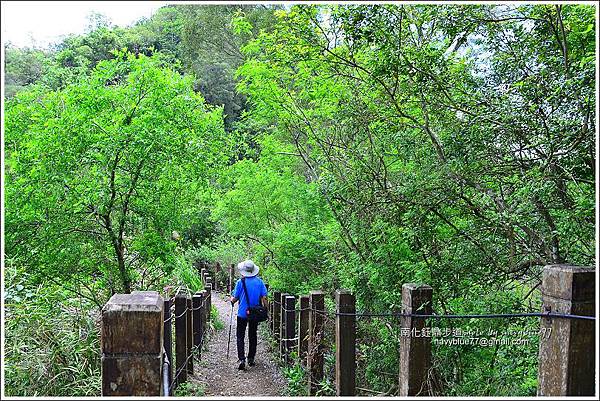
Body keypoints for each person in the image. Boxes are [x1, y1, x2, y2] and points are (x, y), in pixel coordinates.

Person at [230, 259, 268, 370]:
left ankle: (242, 359)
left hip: (242, 313)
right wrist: (266, 309)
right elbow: (264, 298)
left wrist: (231, 300)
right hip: (254, 314)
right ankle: (251, 358)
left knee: (240, 336)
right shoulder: (259, 282)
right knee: (252, 335)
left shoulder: (240, 282)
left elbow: (235, 298)